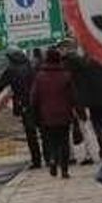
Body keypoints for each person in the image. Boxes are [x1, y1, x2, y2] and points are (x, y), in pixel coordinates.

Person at [0, 46, 41, 168]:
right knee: (44, 130)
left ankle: (37, 160)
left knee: (30, 133)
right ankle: (50, 156)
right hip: (38, 102)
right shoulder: (30, 66)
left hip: (23, 104)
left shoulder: (11, 70)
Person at [31, 47, 81, 179]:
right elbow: (73, 97)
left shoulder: (40, 77)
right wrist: (79, 112)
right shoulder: (66, 75)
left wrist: (35, 114)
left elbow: (34, 98)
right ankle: (64, 170)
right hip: (64, 115)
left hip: (46, 116)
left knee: (51, 141)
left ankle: (52, 159)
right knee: (64, 142)